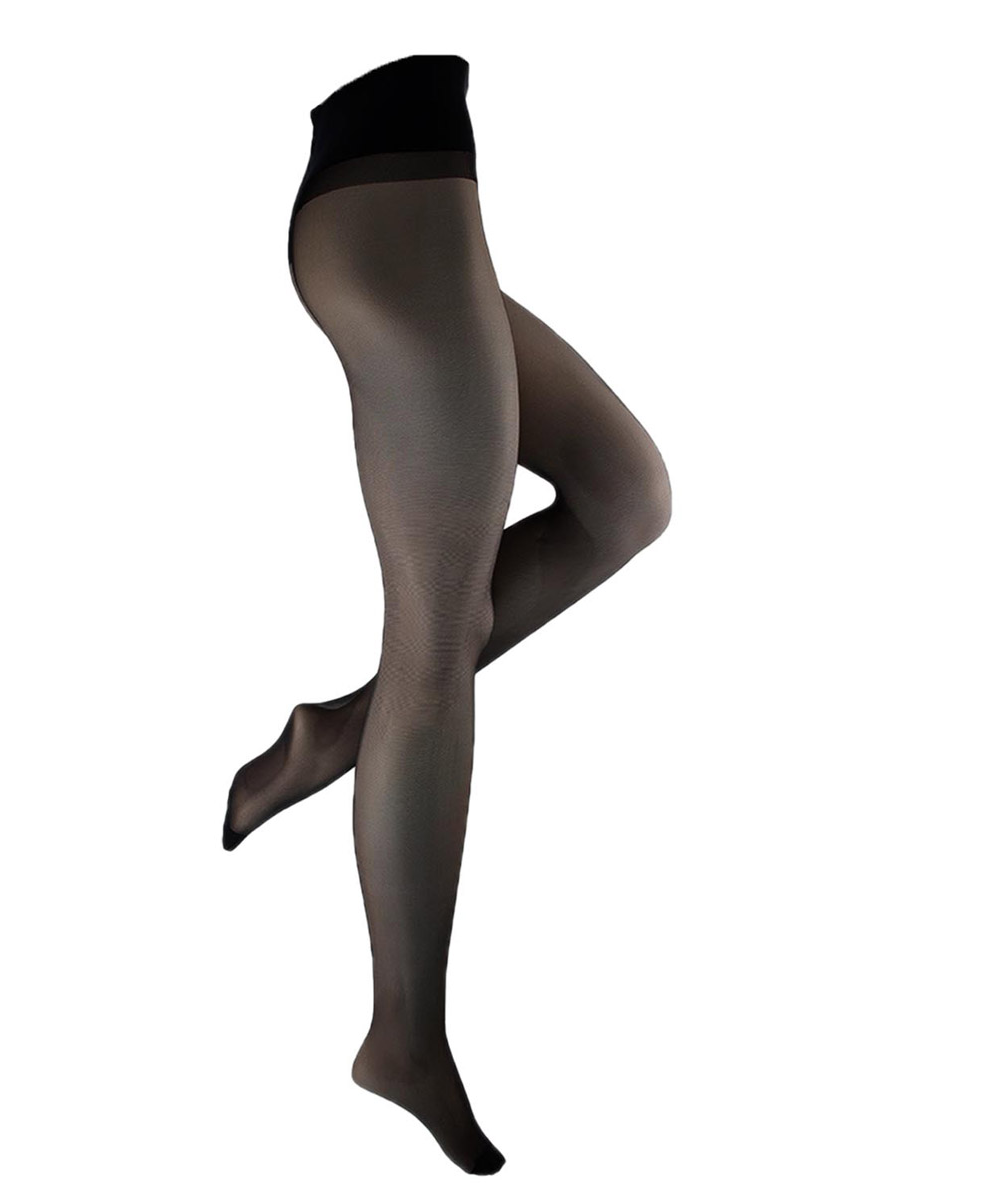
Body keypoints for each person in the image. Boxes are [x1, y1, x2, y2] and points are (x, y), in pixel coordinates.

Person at [222, 53, 672, 1175]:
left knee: (626, 496)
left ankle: (338, 730)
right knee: (435, 641)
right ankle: (404, 1038)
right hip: (393, 224)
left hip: (428, 223)